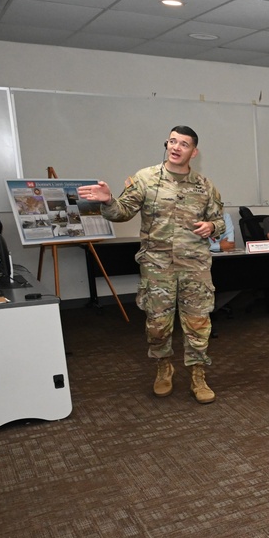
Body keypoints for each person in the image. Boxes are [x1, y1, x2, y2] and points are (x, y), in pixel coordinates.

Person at [77, 125, 224, 404]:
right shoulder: (145, 179)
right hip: (157, 267)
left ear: (194, 151)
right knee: (158, 324)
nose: (176, 147)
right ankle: (163, 368)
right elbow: (121, 212)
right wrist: (108, 200)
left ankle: (197, 374)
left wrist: (211, 226)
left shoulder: (204, 185)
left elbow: (218, 219)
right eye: (172, 141)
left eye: (183, 144)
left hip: (195, 266)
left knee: (198, 323)